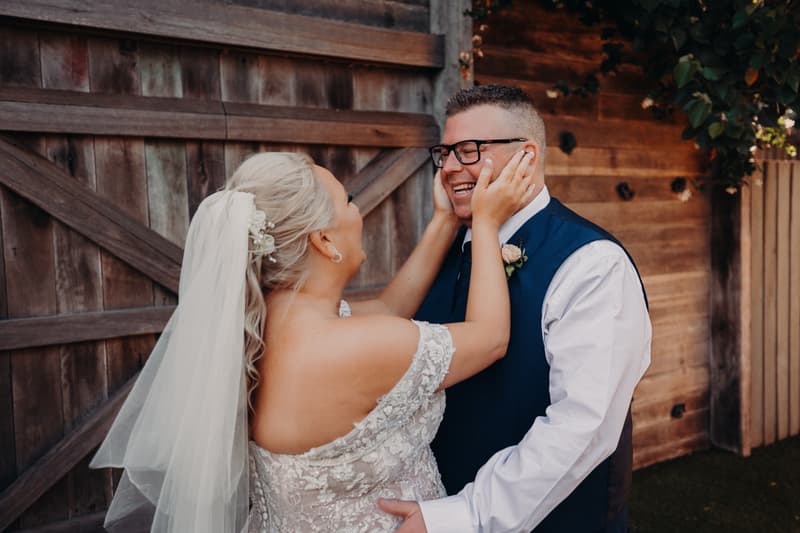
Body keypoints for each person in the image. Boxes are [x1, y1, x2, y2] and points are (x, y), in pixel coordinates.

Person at [90, 149, 537, 532]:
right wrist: (486, 219)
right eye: (348, 200)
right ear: (324, 240)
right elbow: (490, 337)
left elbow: (386, 310)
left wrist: (443, 220)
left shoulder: (261, 327)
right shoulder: (350, 347)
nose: (357, 210)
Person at [379, 85, 652, 532]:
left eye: (467, 151)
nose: (448, 168)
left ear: (527, 156)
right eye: (444, 153)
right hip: (431, 503)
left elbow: (582, 425)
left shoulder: (592, 264)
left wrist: (465, 515)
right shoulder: (444, 247)